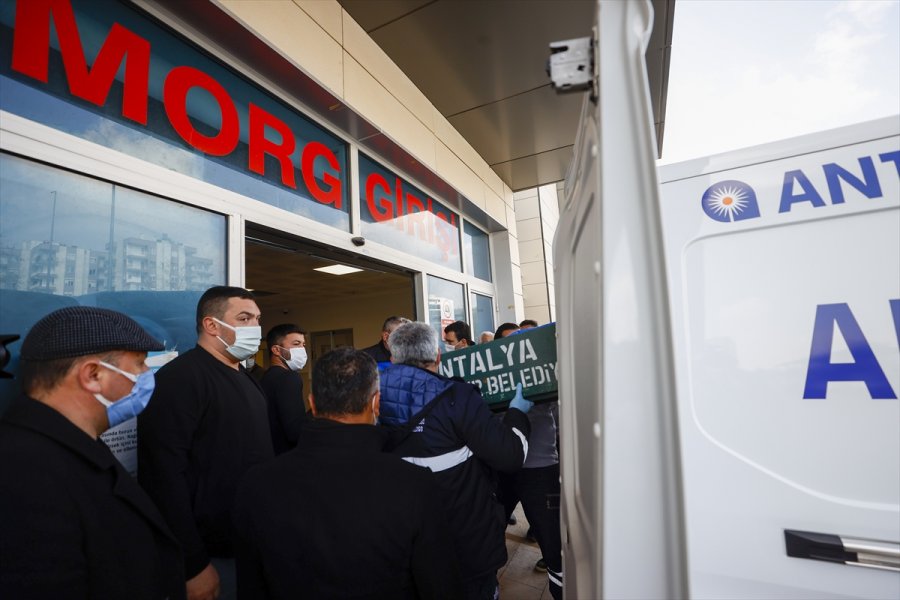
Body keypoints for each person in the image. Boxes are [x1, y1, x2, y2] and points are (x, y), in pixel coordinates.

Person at [233, 347, 463, 599]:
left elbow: (250, 586)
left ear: (312, 403)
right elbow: (441, 584)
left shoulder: (256, 484)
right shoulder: (412, 483)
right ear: (376, 404)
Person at [0, 307, 185, 599]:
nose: (147, 377)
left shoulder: (74, 444)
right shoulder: (22, 476)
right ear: (93, 375)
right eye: (139, 365)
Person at [379, 322, 533, 599]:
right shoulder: (458, 397)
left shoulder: (367, 399)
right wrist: (516, 414)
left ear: (393, 356)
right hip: (465, 544)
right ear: (438, 356)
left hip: (400, 545)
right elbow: (510, 456)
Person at [138, 286, 274, 600]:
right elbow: (162, 476)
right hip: (209, 555)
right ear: (212, 325)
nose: (254, 327)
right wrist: (192, 563)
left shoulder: (246, 378)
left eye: (257, 319)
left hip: (250, 543)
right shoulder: (181, 379)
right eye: (243, 318)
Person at [260, 323, 308, 454]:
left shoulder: (266, 378)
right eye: (296, 344)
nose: (302, 349)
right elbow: (296, 431)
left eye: (303, 345)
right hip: (287, 456)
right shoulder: (289, 378)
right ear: (276, 350)